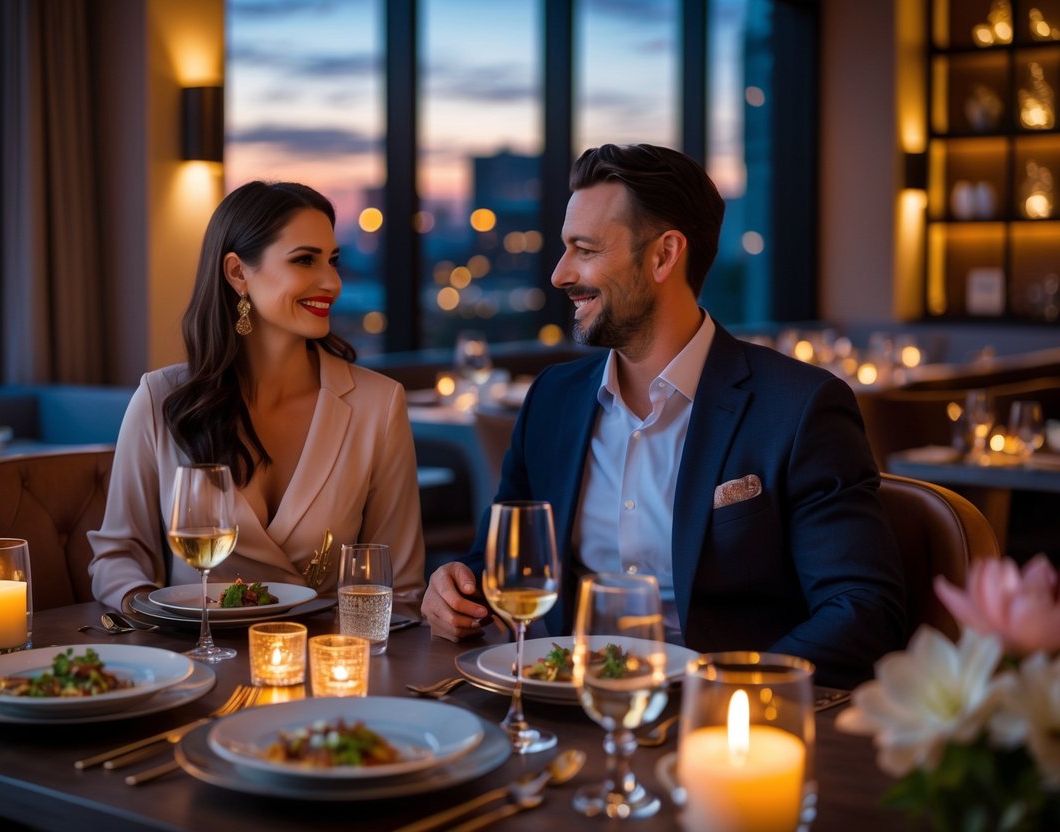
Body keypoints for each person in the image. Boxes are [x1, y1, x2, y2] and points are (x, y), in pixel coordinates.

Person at [421, 144, 906, 689]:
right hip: (562, 705)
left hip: (720, 729)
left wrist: (720, 692)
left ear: (663, 256)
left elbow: (863, 609)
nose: (560, 274)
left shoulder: (799, 408)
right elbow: (499, 567)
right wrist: (454, 588)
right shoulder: (552, 400)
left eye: (584, 249)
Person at [89, 181, 425, 618]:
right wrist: (155, 616)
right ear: (237, 273)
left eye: (333, 261)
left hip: (327, 670)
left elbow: (398, 586)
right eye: (305, 260)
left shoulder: (377, 405)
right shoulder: (161, 400)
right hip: (197, 665)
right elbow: (118, 556)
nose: (332, 282)